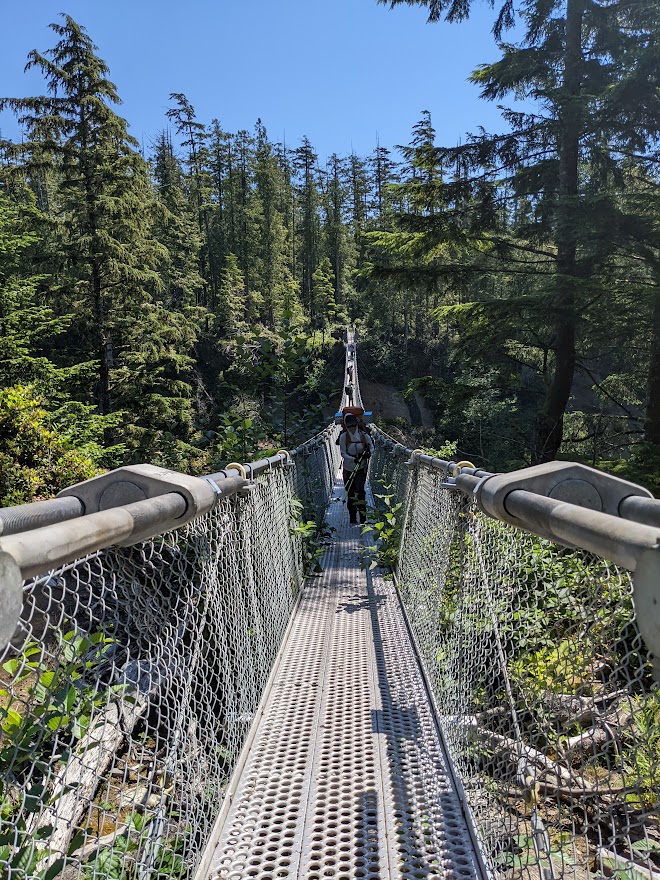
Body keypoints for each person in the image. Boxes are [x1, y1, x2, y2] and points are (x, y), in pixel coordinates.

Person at [339, 412, 374, 524]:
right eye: (349, 425)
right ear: (346, 425)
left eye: (354, 424)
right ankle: (352, 517)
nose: (352, 427)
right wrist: (353, 459)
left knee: (360, 491)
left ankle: (363, 518)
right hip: (348, 468)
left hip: (361, 468)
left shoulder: (364, 435)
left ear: (357, 423)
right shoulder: (343, 437)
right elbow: (343, 453)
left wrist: (367, 453)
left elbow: (372, 448)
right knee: (350, 491)